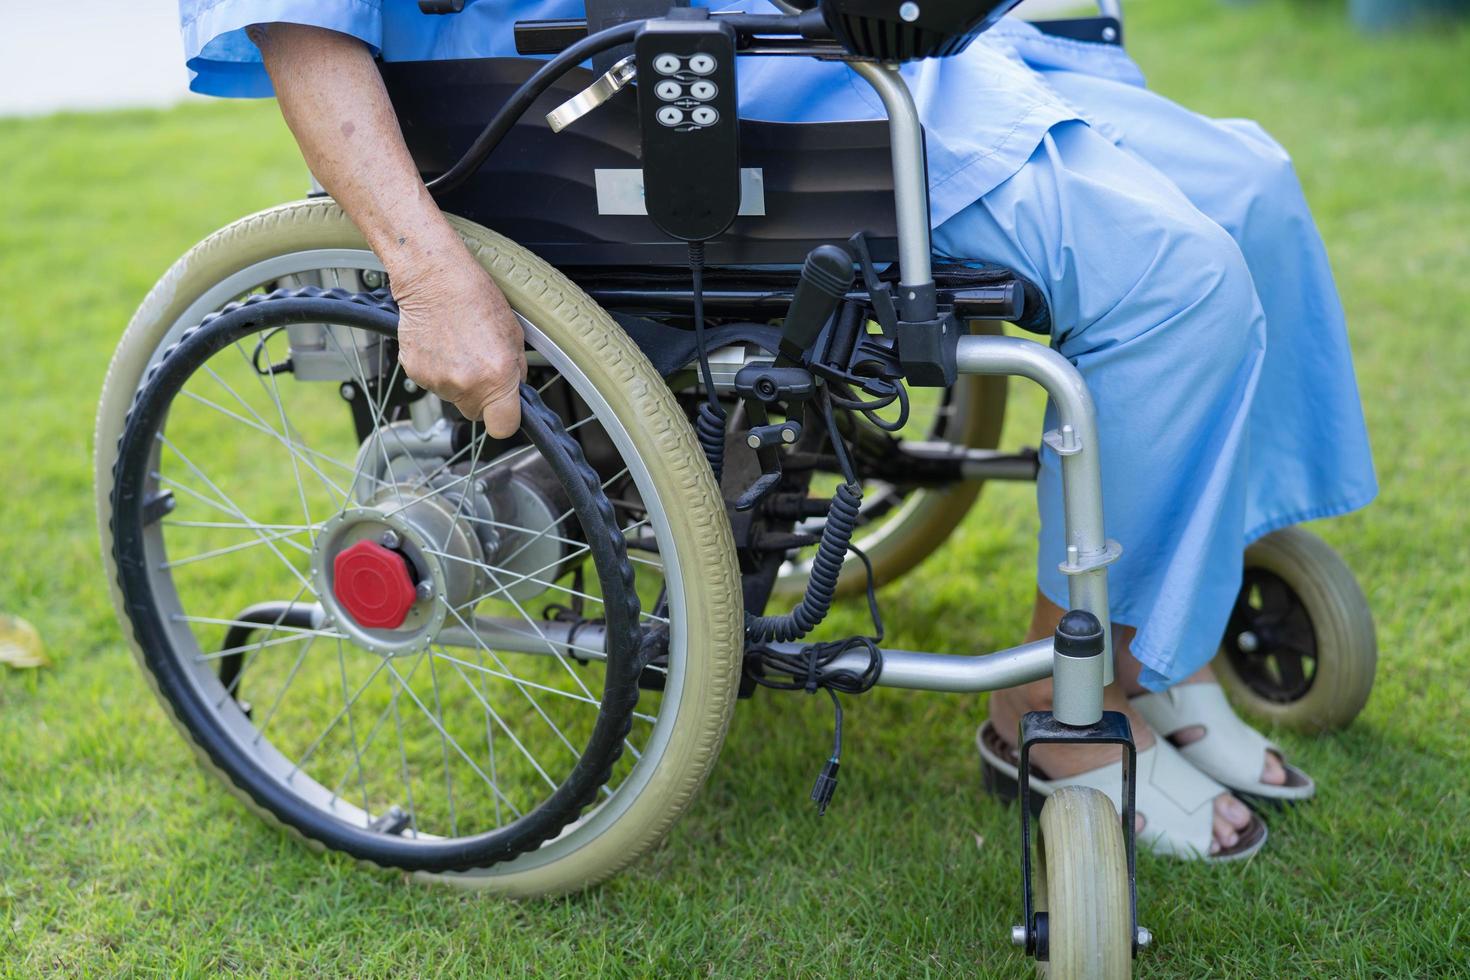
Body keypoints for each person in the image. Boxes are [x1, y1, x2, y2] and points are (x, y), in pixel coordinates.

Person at [177, 0, 1377, 860]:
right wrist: (422, 267)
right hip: (657, 116)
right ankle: (1064, 712)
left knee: (1251, 189)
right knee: (1177, 281)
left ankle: (1179, 636)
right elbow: (293, 21)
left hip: (843, 56)